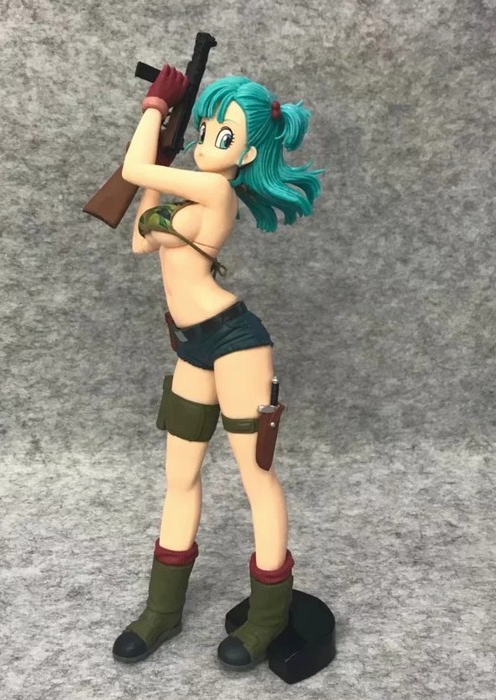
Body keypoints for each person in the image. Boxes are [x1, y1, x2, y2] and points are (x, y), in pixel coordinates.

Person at [113, 65, 323, 671]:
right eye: (205, 128)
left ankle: (269, 616)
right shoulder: (189, 195)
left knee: (256, 476)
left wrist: (155, 107)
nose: (207, 141)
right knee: (179, 474)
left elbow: (133, 169)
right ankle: (162, 610)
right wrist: (165, 155)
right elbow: (140, 240)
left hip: (235, 343)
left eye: (222, 135)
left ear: (247, 152)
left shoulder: (217, 193)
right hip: (191, 347)